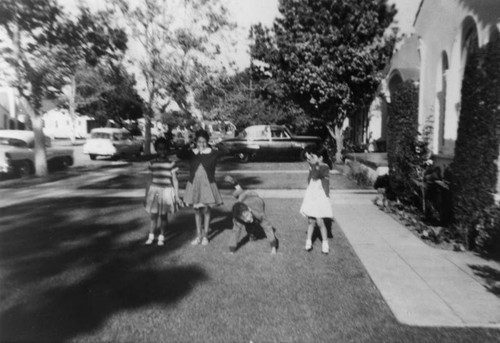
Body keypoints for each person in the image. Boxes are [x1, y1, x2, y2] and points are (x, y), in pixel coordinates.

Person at [183, 129, 226, 245]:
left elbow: (226, 150)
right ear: (196, 141)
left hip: (208, 185)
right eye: (199, 141)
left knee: (206, 210)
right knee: (197, 211)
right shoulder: (192, 153)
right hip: (194, 185)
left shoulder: (212, 153)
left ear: (207, 141)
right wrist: (189, 144)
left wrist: (216, 144)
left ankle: (206, 236)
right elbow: (179, 154)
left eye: (204, 141)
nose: (201, 144)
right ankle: (198, 236)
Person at [224, 175, 278, 255]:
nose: (248, 219)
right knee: (239, 194)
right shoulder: (237, 219)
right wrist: (232, 250)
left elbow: (268, 228)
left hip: (256, 199)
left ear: (249, 210)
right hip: (243, 198)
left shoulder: (259, 214)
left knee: (254, 221)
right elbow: (235, 232)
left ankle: (236, 185)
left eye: (248, 216)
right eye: (245, 218)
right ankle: (235, 184)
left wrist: (273, 247)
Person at [144, 138, 181, 246]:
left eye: (164, 149)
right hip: (154, 191)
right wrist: (146, 196)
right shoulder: (152, 163)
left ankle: (162, 236)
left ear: (167, 150)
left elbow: (175, 180)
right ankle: (151, 236)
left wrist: (177, 196)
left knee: (163, 216)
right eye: (160, 149)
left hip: (167, 191)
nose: (162, 151)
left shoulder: (172, 164)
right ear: (156, 150)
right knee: (153, 215)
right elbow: (149, 180)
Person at [300, 145, 333, 254]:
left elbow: (315, 174)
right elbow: (310, 179)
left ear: (320, 157)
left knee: (320, 221)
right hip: (312, 196)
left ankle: (325, 243)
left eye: (312, 156)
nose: (309, 159)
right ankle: (308, 241)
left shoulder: (324, 167)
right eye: (308, 157)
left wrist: (313, 165)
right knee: (310, 220)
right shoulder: (314, 165)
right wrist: (310, 160)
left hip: (320, 197)